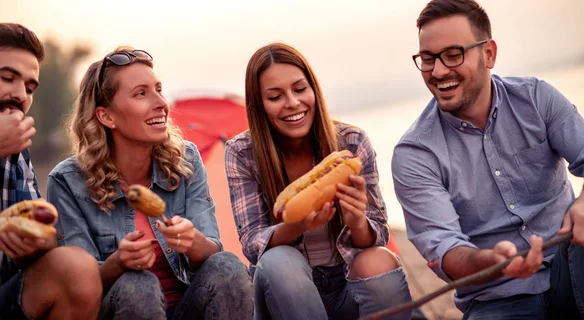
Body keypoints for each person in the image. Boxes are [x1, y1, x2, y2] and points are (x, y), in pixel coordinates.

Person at [392, 0, 584, 319]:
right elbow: (444, 250)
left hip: (573, 267)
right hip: (496, 299)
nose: (438, 70)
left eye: (452, 55)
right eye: (428, 59)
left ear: (488, 54)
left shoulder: (536, 98)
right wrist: (490, 261)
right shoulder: (415, 155)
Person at [46, 47, 254, 320]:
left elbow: (213, 251)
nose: (161, 103)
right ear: (106, 116)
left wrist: (192, 241)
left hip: (188, 306)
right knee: (137, 284)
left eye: (158, 89)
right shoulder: (67, 182)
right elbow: (74, 286)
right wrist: (118, 263)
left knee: (228, 266)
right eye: (141, 93)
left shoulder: (186, 159)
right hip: (122, 308)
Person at [225, 42, 413, 320]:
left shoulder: (352, 142)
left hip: (348, 285)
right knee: (279, 261)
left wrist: (357, 220)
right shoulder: (241, 152)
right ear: (259, 105)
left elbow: (379, 236)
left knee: (378, 258)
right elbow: (253, 243)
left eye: (300, 89)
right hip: (283, 294)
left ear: (314, 89)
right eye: (275, 96)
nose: (292, 102)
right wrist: (298, 223)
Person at [0, 23, 102, 319]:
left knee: (78, 268)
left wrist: (37, 241)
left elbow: (40, 231)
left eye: (30, 88)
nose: (21, 95)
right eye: (8, 78)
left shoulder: (17, 152)